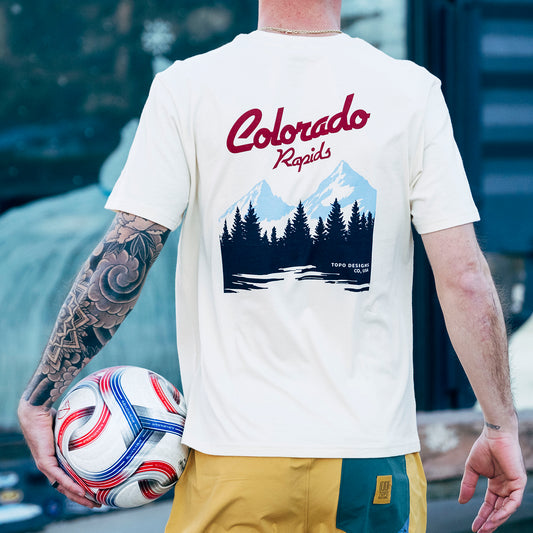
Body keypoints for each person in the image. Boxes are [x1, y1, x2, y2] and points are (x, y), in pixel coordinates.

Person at [18, 1, 526, 532]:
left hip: (235, 464)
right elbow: (465, 280)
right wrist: (499, 425)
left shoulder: (189, 87)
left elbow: (125, 258)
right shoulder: (410, 92)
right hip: (369, 461)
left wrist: (42, 396)